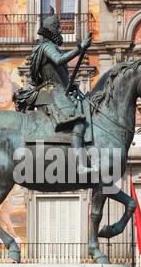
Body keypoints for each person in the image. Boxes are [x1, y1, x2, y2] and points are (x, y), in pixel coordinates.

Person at [14, 9, 94, 174]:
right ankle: (80, 165)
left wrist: (71, 85)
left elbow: (58, 74)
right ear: (51, 31)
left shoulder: (45, 47)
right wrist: (80, 48)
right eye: (58, 28)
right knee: (78, 123)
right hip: (52, 93)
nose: (61, 31)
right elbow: (59, 61)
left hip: (56, 90)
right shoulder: (47, 47)